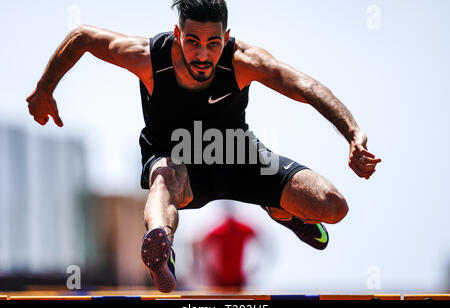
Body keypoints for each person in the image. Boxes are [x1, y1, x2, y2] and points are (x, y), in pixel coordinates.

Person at [26, 0, 382, 293]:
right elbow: (82, 36)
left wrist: (352, 133)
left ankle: (282, 210)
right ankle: (161, 247)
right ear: (178, 34)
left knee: (333, 207)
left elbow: (307, 87)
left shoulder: (244, 60)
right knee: (164, 176)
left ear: (226, 38)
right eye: (192, 41)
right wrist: (45, 90)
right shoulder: (149, 58)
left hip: (237, 156)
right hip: (177, 164)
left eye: (213, 44)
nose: (202, 55)